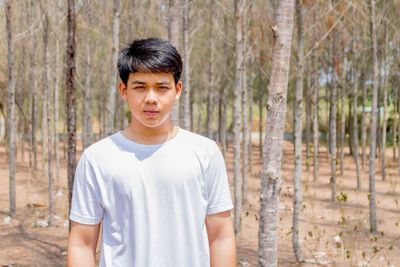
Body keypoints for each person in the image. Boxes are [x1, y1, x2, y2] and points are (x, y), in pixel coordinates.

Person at [67, 38, 236, 267]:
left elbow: (221, 236)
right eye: (140, 87)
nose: (151, 98)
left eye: (161, 87)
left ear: (177, 90)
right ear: (123, 90)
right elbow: (82, 244)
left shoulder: (205, 152)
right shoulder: (97, 158)